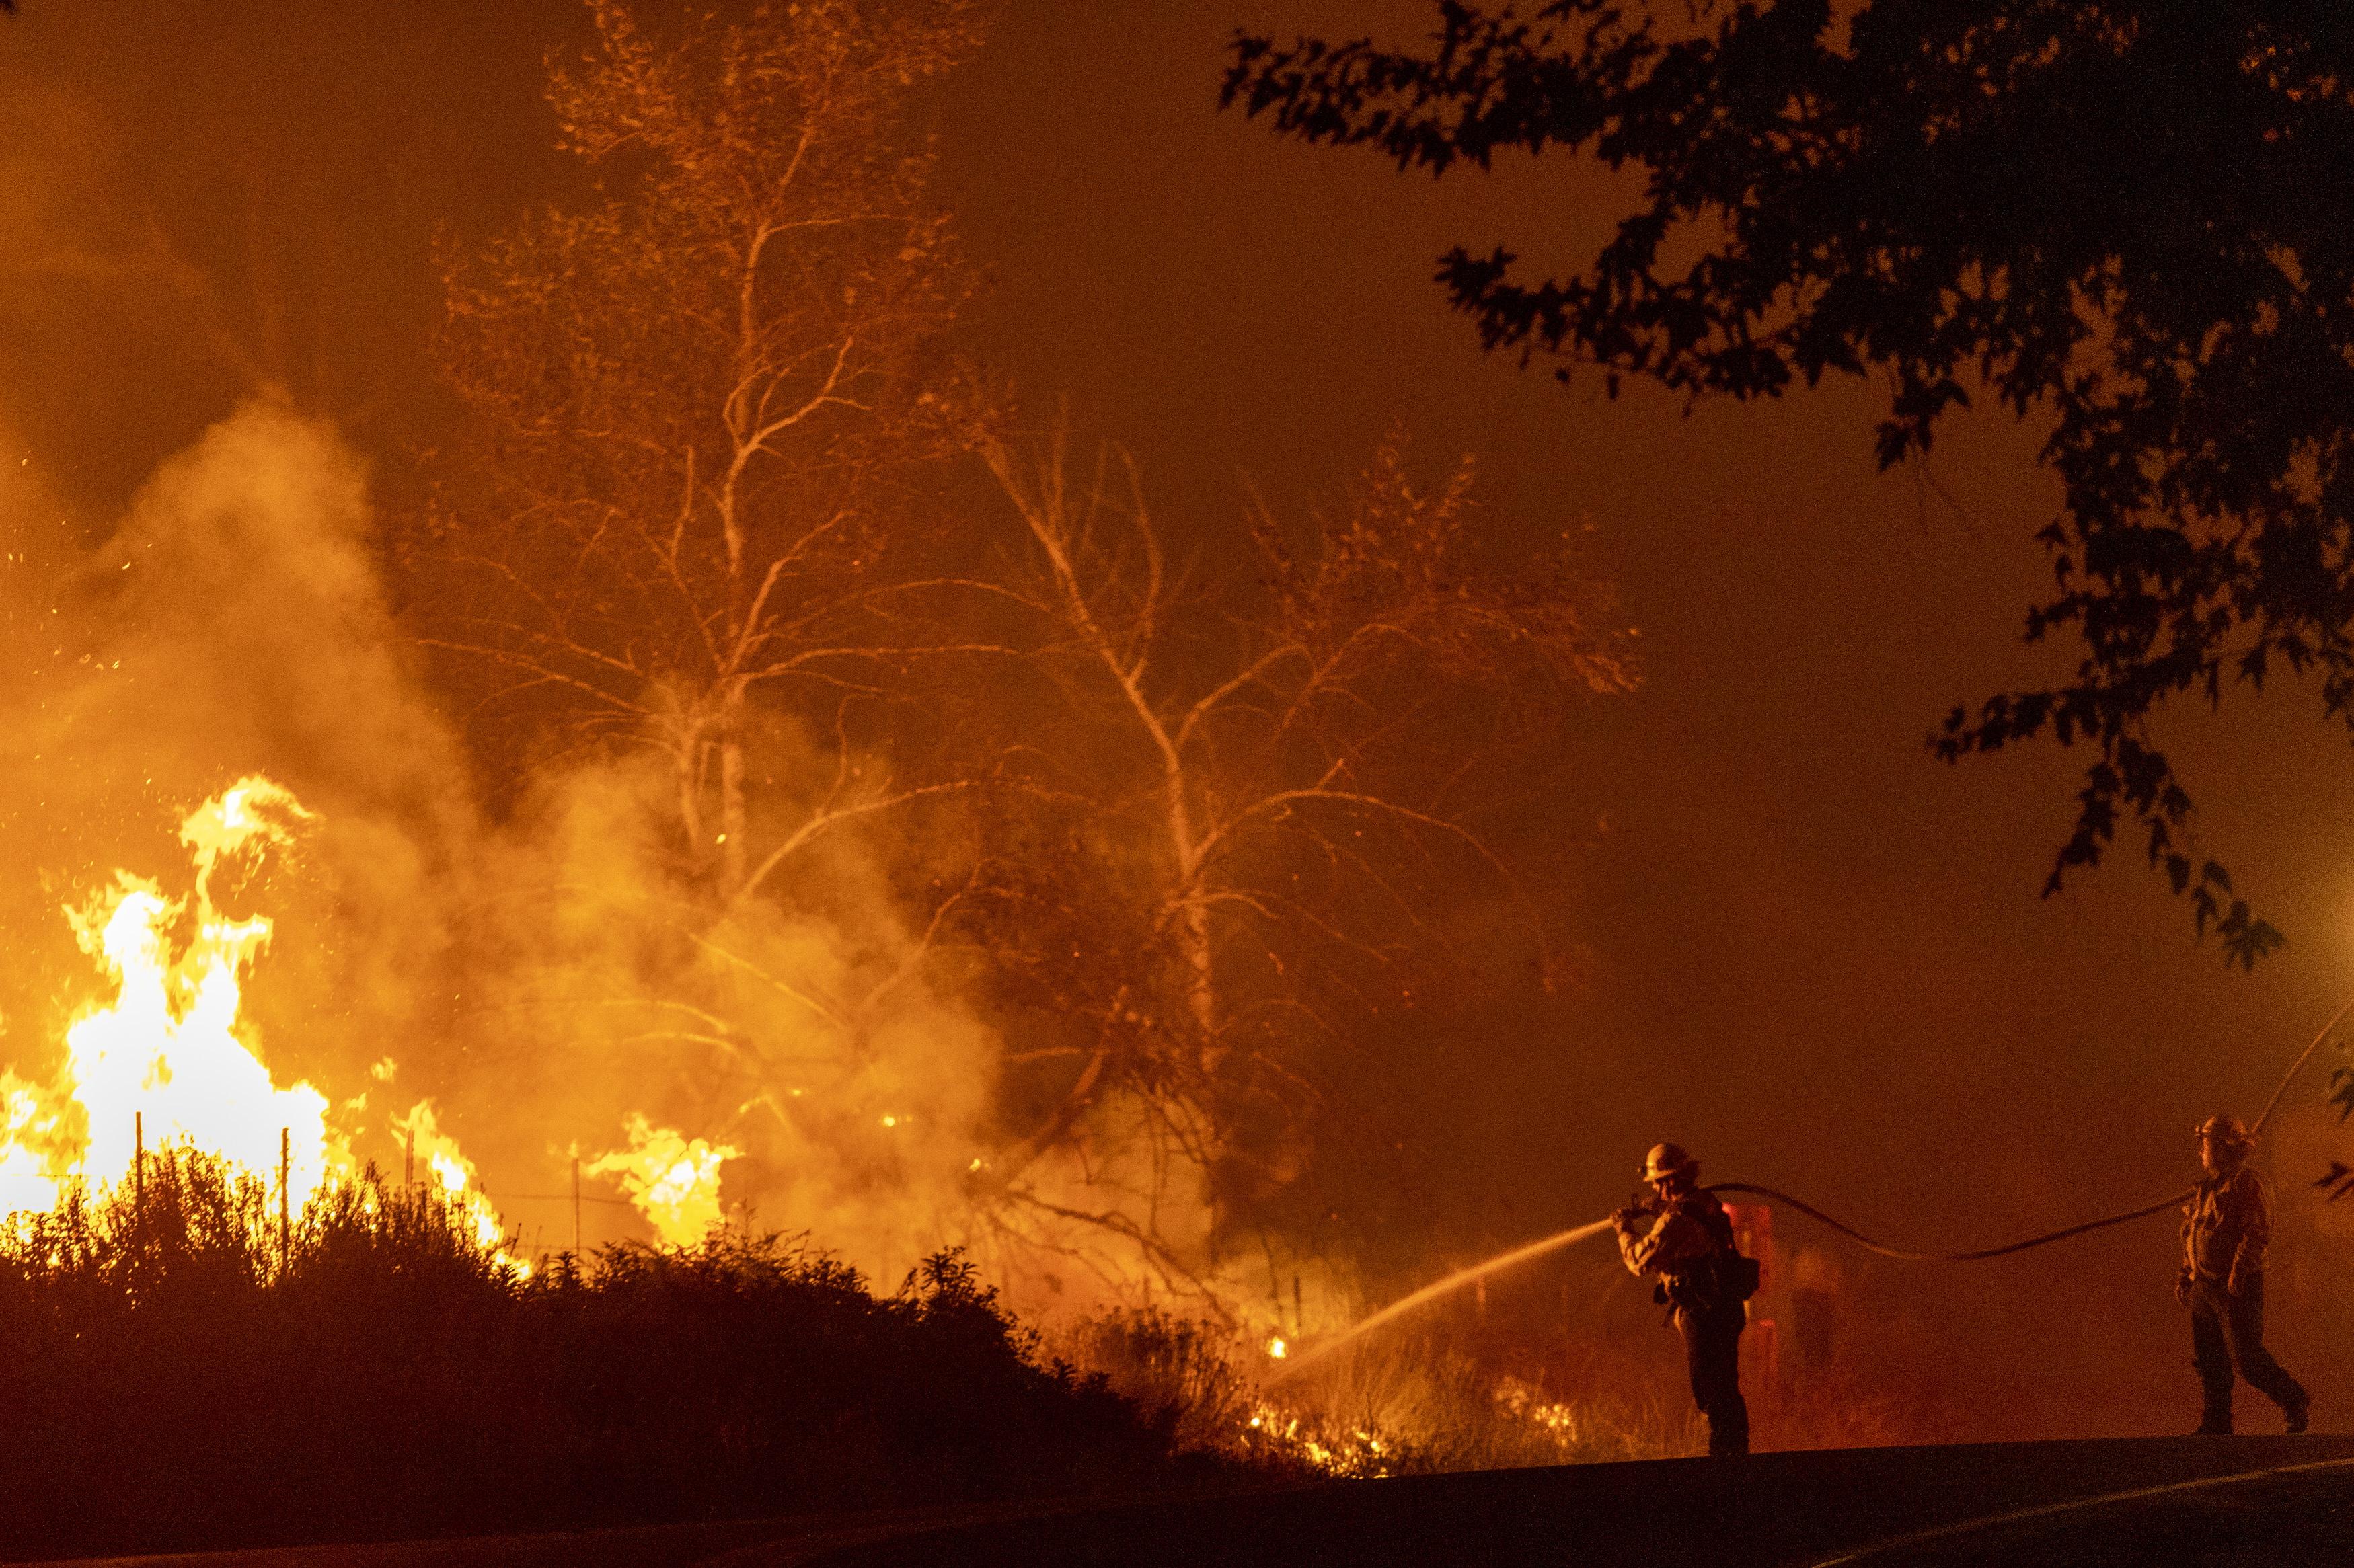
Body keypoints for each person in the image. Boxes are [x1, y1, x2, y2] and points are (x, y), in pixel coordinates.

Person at [1614, 1141, 1756, 1456]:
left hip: (1703, 1312)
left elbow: (1640, 1260)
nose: (1653, 1186)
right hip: (1725, 1308)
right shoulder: (1706, 1203)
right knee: (1725, 1390)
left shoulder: (1677, 1219)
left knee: (1711, 1391)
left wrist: (1624, 1229)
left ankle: (1725, 1458)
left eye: (1656, 1180)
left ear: (1672, 1180)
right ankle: (1735, 1452)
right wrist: (1658, 1207)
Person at [2178, 1113, 2308, 1435]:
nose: (2200, 1153)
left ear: (2222, 1148)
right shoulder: (2206, 1188)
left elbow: (2259, 1230)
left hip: (2235, 1285)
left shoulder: (2247, 1182)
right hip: (2203, 1285)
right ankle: (2217, 1419)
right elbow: (2193, 1232)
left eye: (2204, 1145)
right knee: (2210, 1358)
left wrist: (2238, 1273)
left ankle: (2294, 1399)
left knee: (2246, 1356)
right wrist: (2186, 1275)